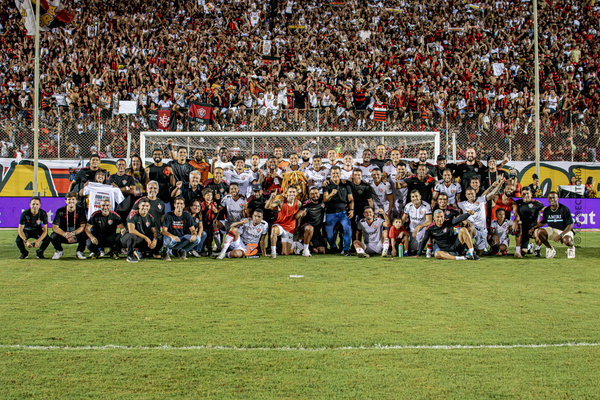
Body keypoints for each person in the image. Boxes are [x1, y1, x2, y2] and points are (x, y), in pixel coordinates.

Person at [458, 177, 504, 255]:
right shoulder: (462, 204)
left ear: (475, 193)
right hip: (472, 228)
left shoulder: (481, 200)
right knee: (468, 229)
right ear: (465, 195)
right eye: (468, 194)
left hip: (482, 230)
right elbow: (457, 214)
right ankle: (467, 249)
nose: (470, 195)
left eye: (472, 193)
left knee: (479, 253)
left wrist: (500, 184)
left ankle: (474, 249)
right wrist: (464, 220)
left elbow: (493, 193)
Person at [532, 192, 576, 259]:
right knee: (539, 232)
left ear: (557, 198)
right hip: (552, 230)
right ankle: (550, 249)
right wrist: (533, 227)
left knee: (566, 241)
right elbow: (543, 222)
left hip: (564, 230)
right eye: (550, 198)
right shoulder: (547, 210)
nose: (552, 199)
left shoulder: (564, 209)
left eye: (554, 197)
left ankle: (571, 248)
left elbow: (570, 224)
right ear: (548, 199)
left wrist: (561, 235)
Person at [323, 166, 355, 256]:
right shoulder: (327, 185)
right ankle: (333, 247)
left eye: (337, 173)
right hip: (330, 212)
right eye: (333, 173)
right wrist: (331, 194)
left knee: (347, 228)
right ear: (330, 174)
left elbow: (351, 199)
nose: (335, 175)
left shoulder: (346, 185)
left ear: (340, 174)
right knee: (329, 232)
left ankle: (346, 249)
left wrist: (352, 209)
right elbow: (325, 199)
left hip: (343, 212)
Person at [121, 197, 162, 263]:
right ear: (139, 206)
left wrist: (154, 240)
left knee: (159, 238)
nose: (145, 207)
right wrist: (146, 238)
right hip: (127, 239)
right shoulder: (133, 215)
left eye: (147, 206)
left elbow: (154, 231)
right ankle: (130, 256)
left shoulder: (150, 217)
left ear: (149, 207)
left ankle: (141, 252)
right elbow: (131, 230)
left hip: (140, 239)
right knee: (132, 236)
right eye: (143, 205)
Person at [162, 196, 201, 261]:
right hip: (172, 238)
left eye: (181, 204)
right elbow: (164, 231)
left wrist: (194, 235)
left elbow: (193, 229)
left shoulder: (186, 215)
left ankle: (183, 251)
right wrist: (173, 236)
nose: (179, 205)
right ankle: (166, 251)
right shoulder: (168, 215)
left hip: (182, 237)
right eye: (177, 203)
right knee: (167, 240)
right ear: (174, 205)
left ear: (184, 205)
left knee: (197, 239)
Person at [50, 192, 88, 260]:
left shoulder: (80, 210)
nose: (71, 201)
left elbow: (82, 226)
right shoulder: (60, 211)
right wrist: (65, 234)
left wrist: (73, 233)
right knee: (53, 236)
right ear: (65, 201)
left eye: (73, 199)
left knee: (85, 233)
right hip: (64, 235)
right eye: (69, 199)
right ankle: (59, 251)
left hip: (75, 235)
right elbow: (54, 227)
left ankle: (80, 251)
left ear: (76, 201)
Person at [266, 187, 300, 258]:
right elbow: (267, 207)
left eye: (293, 192)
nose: (292, 194)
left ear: (296, 193)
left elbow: (298, 216)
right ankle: (273, 252)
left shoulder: (298, 203)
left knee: (286, 253)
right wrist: (271, 198)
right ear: (286, 193)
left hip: (290, 228)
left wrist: (297, 226)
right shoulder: (280, 201)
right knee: (274, 230)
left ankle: (297, 245)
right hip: (280, 225)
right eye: (290, 192)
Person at [513, 186, 545, 258]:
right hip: (522, 230)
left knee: (540, 233)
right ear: (521, 194)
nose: (526, 195)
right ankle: (529, 247)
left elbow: (546, 211)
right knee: (523, 252)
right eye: (524, 193)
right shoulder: (517, 203)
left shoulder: (537, 203)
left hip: (533, 228)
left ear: (531, 194)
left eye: (527, 193)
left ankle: (537, 249)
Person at [296, 187, 327, 256]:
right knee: (310, 228)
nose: (314, 195)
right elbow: (297, 216)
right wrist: (301, 213)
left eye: (316, 193)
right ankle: (305, 250)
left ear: (319, 194)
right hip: (306, 227)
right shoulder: (307, 204)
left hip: (316, 230)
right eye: (312, 194)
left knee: (322, 251)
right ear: (309, 195)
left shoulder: (322, 203)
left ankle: (303, 244)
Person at [402, 190, 432, 255]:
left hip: (423, 228)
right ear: (411, 198)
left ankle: (429, 251)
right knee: (412, 250)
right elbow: (403, 219)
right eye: (413, 197)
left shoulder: (426, 206)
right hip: (412, 230)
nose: (415, 198)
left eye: (416, 196)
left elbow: (429, 221)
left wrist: (419, 226)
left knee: (429, 229)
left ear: (420, 196)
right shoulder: (408, 206)